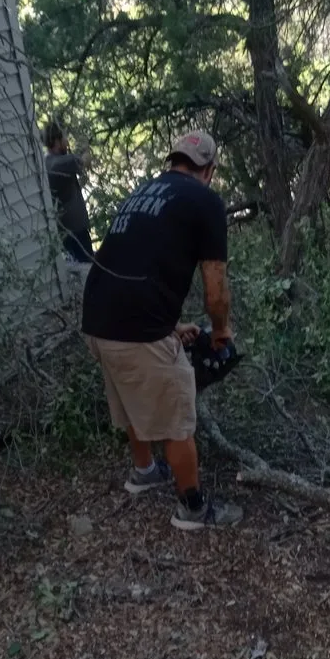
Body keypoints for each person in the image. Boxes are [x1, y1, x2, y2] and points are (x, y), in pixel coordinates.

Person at [82, 131, 243, 531]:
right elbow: (216, 289)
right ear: (209, 170)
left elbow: (133, 261)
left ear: (174, 162)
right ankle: (192, 509)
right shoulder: (205, 201)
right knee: (176, 414)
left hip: (96, 316)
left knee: (134, 395)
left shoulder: (144, 191)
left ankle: (145, 472)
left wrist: (169, 326)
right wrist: (221, 331)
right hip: (136, 327)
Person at [43, 120, 93, 267]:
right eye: (64, 138)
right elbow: (85, 161)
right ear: (56, 141)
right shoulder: (61, 163)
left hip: (67, 231)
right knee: (87, 267)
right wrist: (86, 148)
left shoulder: (49, 162)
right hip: (76, 231)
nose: (67, 141)